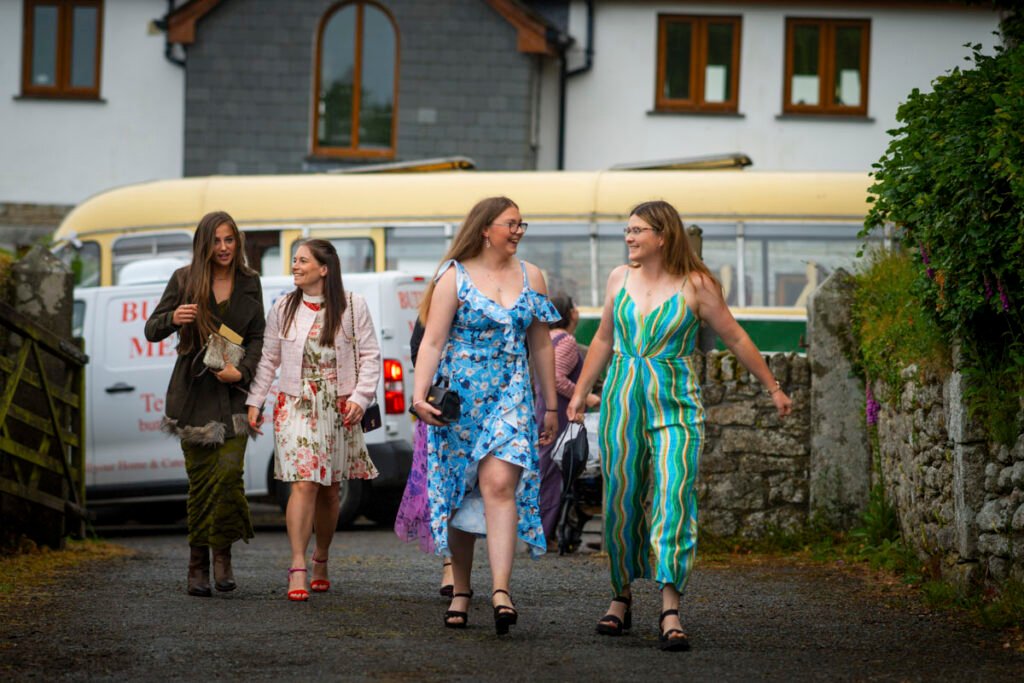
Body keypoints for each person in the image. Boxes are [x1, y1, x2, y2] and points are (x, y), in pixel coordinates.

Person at [567, 200, 792, 651]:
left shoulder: (698, 284)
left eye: (637, 231)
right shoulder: (619, 278)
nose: (629, 237)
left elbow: (735, 336)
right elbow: (605, 340)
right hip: (622, 398)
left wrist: (773, 387)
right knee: (623, 498)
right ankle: (621, 596)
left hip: (677, 402)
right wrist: (578, 394)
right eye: (627, 231)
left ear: (663, 235)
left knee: (674, 496)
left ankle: (670, 607)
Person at [412, 196, 559, 635]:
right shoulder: (452, 278)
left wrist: (550, 404)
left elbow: (541, 343)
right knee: (459, 492)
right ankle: (461, 588)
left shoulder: (532, 276)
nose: (518, 231)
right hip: (459, 399)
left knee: (499, 485)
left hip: (509, 395)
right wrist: (420, 397)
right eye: (511, 224)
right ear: (485, 229)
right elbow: (432, 342)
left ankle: (500, 590)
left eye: (521, 225)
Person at [245, 239, 381, 602]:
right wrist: (255, 401)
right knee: (303, 483)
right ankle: (297, 564)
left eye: (302, 260)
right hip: (296, 405)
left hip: (340, 407)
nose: (295, 265)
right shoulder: (283, 307)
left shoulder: (353, 306)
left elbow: (370, 357)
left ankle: (321, 556)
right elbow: (268, 360)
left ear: (324, 268)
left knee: (330, 491)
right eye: (294, 260)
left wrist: (359, 398)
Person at [144, 210, 266, 598]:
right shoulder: (184, 279)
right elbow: (151, 328)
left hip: (233, 393)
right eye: (216, 240)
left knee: (229, 474)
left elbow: (259, 338)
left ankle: (222, 555)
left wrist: (242, 372)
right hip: (193, 394)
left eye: (230, 240)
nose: (224, 247)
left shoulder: (250, 282)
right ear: (204, 243)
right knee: (200, 483)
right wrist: (173, 317)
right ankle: (197, 563)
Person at [393, 318, 455, 596]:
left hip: (485, 404)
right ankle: (450, 564)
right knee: (443, 488)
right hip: (441, 407)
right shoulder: (430, 312)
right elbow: (420, 354)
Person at [532, 294, 600, 548]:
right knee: (553, 474)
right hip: (558, 414)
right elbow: (557, 377)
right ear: (571, 313)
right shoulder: (567, 341)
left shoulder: (545, 339)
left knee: (542, 470)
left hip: (541, 410)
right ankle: (543, 534)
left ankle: (537, 531)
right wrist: (586, 396)